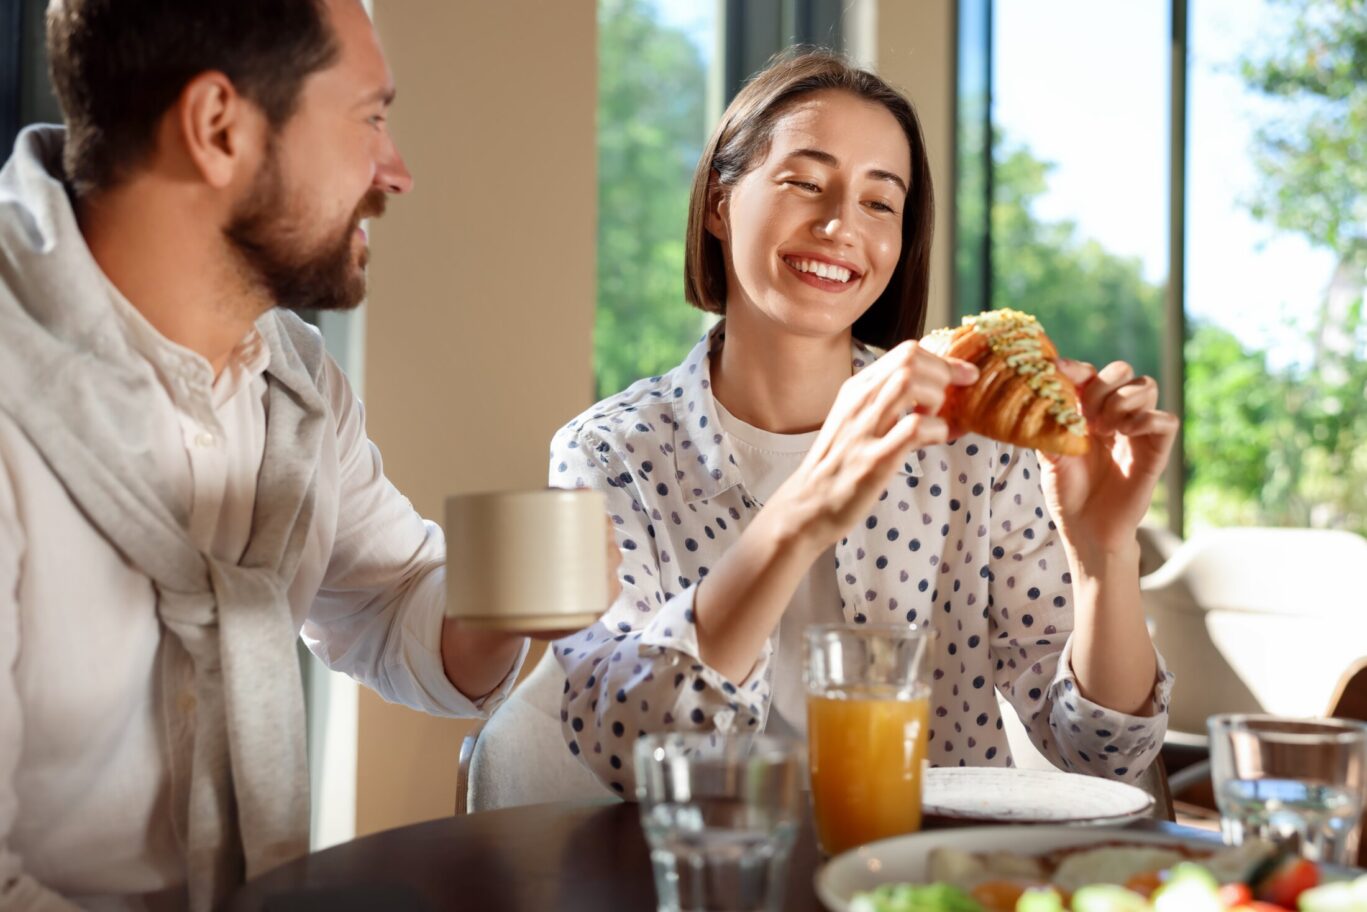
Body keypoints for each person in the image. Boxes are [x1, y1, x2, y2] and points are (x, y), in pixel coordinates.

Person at [0, 1, 597, 908]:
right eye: (369, 118)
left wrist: (513, 593)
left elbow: (393, 600)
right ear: (217, 128)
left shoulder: (295, 383)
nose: (395, 172)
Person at [549, 49, 1177, 798]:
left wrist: (1102, 556)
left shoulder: (975, 445)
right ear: (719, 203)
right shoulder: (610, 453)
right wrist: (804, 508)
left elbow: (1100, 754)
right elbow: (629, 748)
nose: (839, 223)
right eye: (804, 183)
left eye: (880, 202)